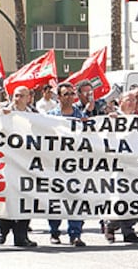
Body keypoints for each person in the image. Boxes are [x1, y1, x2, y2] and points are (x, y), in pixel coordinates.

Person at [0, 86, 37, 247]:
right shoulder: (2, 112)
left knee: (25, 199)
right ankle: (3, 231)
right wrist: (2, 118)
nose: (18, 98)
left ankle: (21, 236)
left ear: (29, 98)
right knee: (6, 198)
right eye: (16, 95)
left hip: (26, 164)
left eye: (22, 95)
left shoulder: (34, 115)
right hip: (6, 163)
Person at [47, 82, 87, 247]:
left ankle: (75, 234)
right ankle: (54, 232)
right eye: (66, 94)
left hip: (76, 165)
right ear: (58, 97)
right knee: (55, 199)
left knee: (76, 199)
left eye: (72, 94)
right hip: (56, 164)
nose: (70, 97)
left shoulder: (82, 116)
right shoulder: (49, 117)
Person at [103, 91, 138, 244]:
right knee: (118, 198)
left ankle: (129, 230)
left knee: (134, 198)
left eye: (134, 99)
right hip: (116, 167)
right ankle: (110, 225)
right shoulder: (112, 118)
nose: (132, 102)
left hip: (135, 166)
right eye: (128, 99)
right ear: (120, 102)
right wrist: (109, 123)